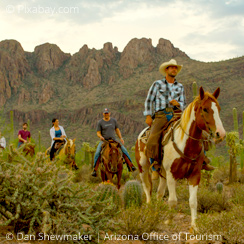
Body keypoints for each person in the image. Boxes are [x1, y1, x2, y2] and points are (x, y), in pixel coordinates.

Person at [144, 59, 214, 171]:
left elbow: (184, 104)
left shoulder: (180, 87)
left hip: (178, 114)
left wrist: (178, 104)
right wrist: (148, 115)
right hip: (161, 114)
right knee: (153, 138)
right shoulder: (157, 84)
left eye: (176, 68)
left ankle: (203, 159)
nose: (174, 69)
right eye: (172, 67)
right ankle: (154, 165)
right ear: (166, 70)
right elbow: (149, 100)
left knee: (199, 132)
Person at [91, 108, 136, 177]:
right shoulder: (100, 122)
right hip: (105, 141)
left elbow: (117, 130)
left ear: (109, 113)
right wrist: (100, 136)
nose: (106, 114)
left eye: (107, 113)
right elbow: (98, 132)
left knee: (124, 150)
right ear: (103, 114)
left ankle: (130, 165)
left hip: (114, 140)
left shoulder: (113, 121)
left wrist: (121, 138)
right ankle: (95, 169)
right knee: (97, 152)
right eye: (105, 113)